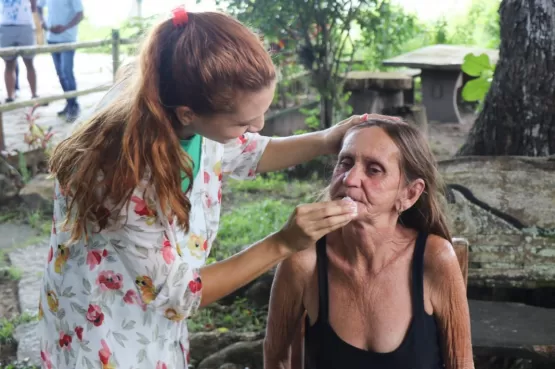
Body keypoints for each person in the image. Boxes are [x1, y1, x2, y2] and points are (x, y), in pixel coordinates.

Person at [37, 8, 387, 369]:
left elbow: (246, 150)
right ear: (188, 113)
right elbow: (178, 294)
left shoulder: (177, 105)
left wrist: (326, 140)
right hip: (102, 332)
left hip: (150, 319)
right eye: (244, 121)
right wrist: (283, 243)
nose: (259, 125)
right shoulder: (124, 176)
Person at [264, 118, 474, 369]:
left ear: (409, 194)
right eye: (346, 162)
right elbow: (276, 358)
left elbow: (461, 364)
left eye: (374, 169)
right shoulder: (303, 262)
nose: (349, 179)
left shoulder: (435, 259)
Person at [37, 0, 83, 122]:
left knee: (66, 71)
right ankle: (69, 103)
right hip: (52, 38)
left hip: (67, 38)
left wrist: (65, 27)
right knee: (60, 74)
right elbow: (39, 7)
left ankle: (74, 105)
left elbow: (80, 14)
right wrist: (42, 21)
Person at [0, 0, 39, 102]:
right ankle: (10, 96)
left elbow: (34, 4)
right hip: (6, 25)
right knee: (9, 64)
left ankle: (34, 95)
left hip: (25, 24)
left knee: (29, 62)